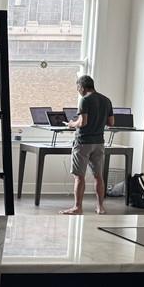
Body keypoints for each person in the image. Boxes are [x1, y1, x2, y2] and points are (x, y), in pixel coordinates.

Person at [61, 75, 113, 215]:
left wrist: (72, 124)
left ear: (81, 87)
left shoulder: (84, 100)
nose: (78, 91)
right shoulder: (106, 100)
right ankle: (100, 207)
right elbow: (111, 122)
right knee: (98, 176)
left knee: (79, 176)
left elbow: (82, 122)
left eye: (78, 88)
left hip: (83, 143)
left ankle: (78, 207)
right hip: (99, 143)